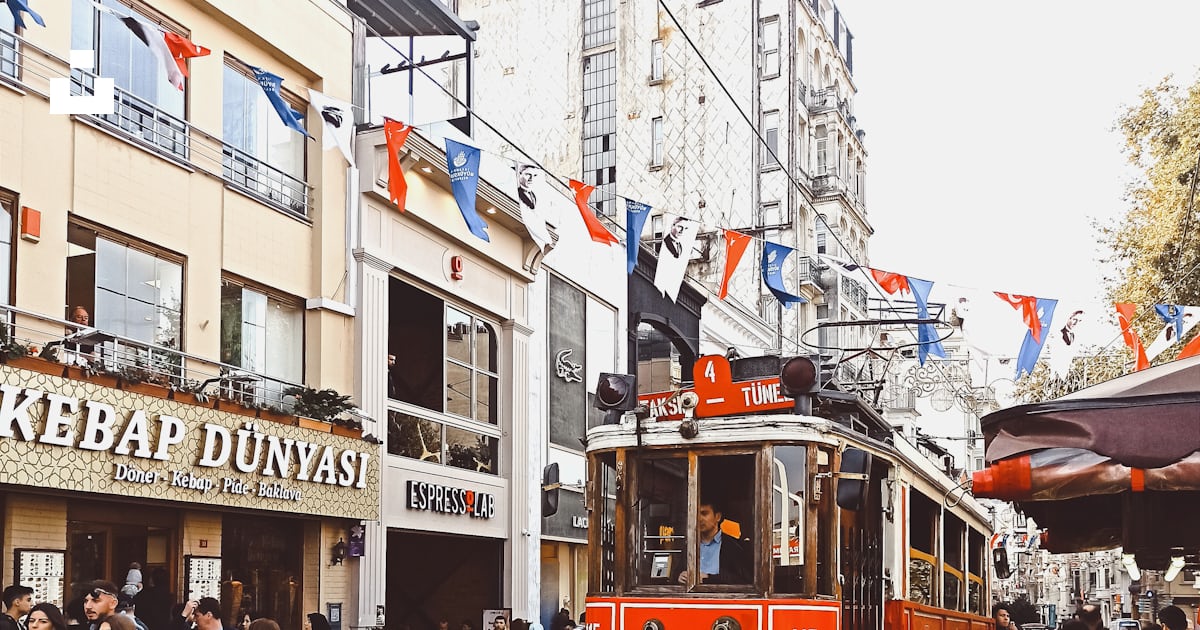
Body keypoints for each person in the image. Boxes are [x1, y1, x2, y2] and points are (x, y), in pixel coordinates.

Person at [676, 499, 751, 585]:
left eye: (704, 513)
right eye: (696, 513)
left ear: (718, 517)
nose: (699, 518)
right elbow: (673, 576)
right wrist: (679, 576)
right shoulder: (689, 545)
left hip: (722, 597)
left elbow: (744, 580)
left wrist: (708, 578)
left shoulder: (733, 546)